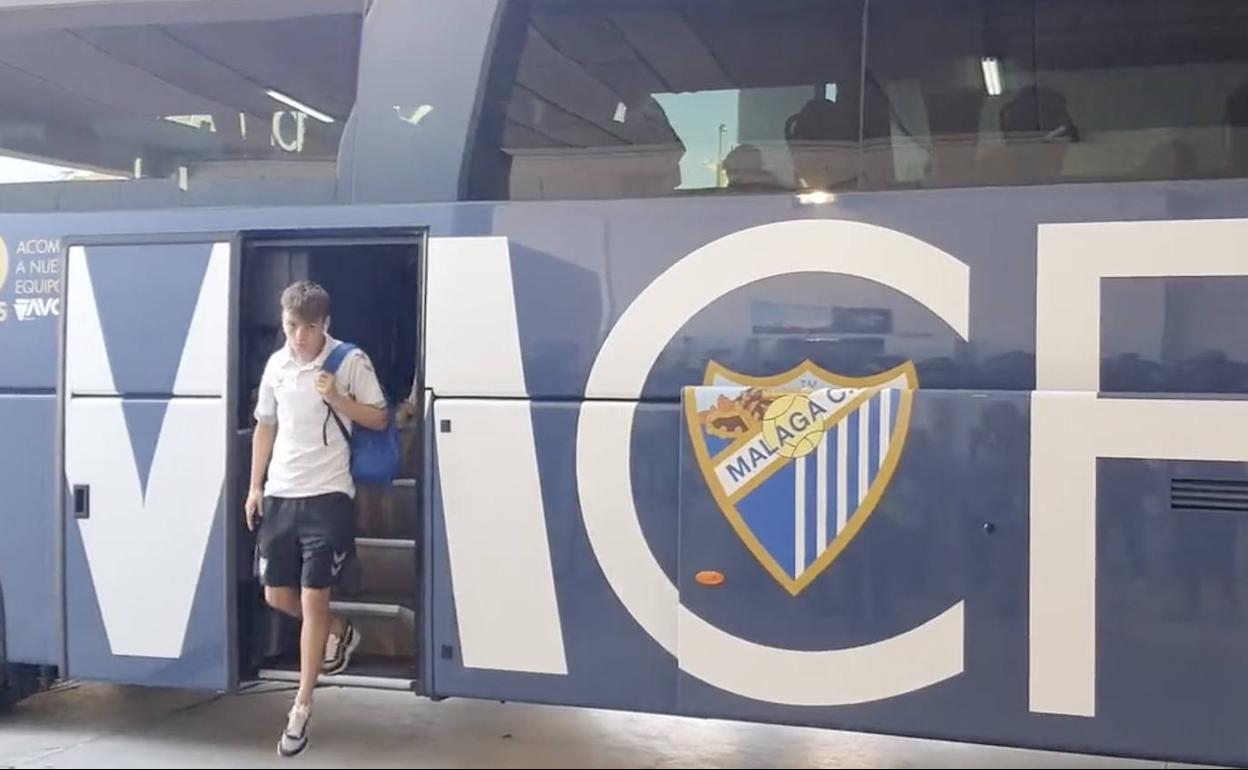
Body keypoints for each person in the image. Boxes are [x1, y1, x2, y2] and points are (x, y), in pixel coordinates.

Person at [244, 280, 389, 757]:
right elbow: (265, 424)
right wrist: (255, 485)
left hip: (328, 496)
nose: (298, 337)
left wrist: (339, 400)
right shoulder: (277, 366)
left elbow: (380, 419)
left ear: (324, 324)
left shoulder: (349, 361)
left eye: (307, 327)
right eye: (290, 326)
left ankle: (301, 708)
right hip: (282, 495)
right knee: (276, 594)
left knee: (311, 598)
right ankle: (338, 630)